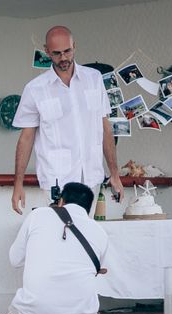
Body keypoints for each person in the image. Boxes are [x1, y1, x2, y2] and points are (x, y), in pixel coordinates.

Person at [11, 25, 124, 215]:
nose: (63, 58)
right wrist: (18, 184)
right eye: (56, 53)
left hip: (91, 177)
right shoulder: (35, 89)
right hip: (56, 178)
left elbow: (104, 128)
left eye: (67, 51)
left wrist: (114, 174)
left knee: (85, 232)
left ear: (74, 46)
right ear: (47, 51)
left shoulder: (94, 79)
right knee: (60, 234)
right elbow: (26, 139)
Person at [0, 182, 109, 314]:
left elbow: (14, 260)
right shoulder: (100, 231)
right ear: (89, 207)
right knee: (83, 287)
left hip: (38, 310)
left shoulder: (38, 215)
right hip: (81, 312)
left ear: (61, 201)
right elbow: (97, 270)